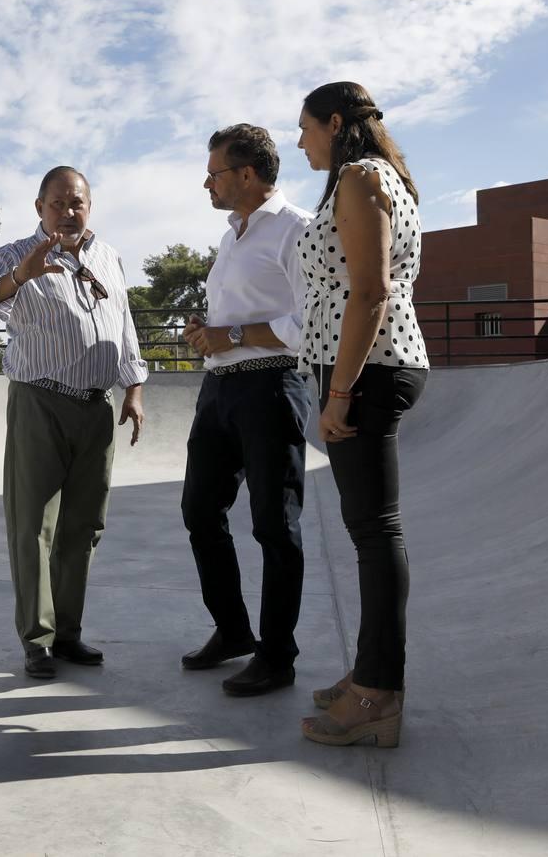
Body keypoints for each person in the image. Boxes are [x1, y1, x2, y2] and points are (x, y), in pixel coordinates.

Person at [0, 166, 146, 680]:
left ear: (90, 205)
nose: (69, 211)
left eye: (78, 202)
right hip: (40, 402)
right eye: (59, 203)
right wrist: (21, 275)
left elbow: (123, 322)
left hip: (97, 407)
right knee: (33, 527)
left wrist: (133, 387)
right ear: (39, 207)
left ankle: (68, 633)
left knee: (84, 527)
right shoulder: (13, 255)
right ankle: (36, 638)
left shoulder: (108, 256)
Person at [294, 82, 429, 748]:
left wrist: (338, 393)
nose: (299, 142)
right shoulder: (380, 176)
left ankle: (376, 694)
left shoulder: (358, 177)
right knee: (370, 532)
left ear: (335, 122)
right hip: (367, 368)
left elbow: (369, 291)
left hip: (367, 372)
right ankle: (368, 674)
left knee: (374, 534)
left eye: (305, 129)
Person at [179, 124, 314, 696]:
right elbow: (234, 324)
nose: (206, 182)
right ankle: (234, 631)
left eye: (215, 173)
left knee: (273, 526)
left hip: (272, 388)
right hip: (220, 392)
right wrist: (209, 337)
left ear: (249, 175)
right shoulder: (233, 236)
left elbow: (311, 325)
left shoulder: (299, 231)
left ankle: (277, 657)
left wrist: (231, 334)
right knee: (199, 512)